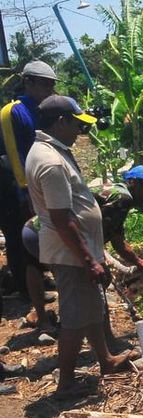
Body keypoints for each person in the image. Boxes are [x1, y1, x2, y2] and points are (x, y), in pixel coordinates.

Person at [25, 95, 131, 398]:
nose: (79, 132)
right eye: (76, 124)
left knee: (92, 307)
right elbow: (61, 218)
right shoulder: (51, 162)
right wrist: (89, 259)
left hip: (74, 249)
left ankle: (106, 360)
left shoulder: (49, 150)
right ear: (61, 121)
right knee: (74, 317)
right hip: (70, 252)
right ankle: (66, 383)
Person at [22, 165, 143, 339]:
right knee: (87, 281)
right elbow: (92, 232)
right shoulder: (123, 199)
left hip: (33, 229)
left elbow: (116, 239)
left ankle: (46, 320)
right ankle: (100, 339)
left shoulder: (116, 192)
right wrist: (95, 262)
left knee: (40, 269)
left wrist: (136, 260)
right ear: (134, 183)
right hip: (48, 235)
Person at [0, 61, 58, 300]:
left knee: (35, 233)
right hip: (11, 187)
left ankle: (37, 279)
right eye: (44, 83)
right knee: (16, 235)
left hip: (32, 185)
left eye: (51, 85)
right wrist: (25, 191)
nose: (48, 89)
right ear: (28, 82)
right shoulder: (12, 111)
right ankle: (25, 289)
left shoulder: (41, 110)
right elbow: (14, 155)